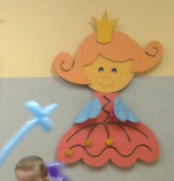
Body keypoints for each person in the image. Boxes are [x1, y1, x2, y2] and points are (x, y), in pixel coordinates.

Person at [53, 13, 162, 168]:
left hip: (117, 127)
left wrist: (122, 112)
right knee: (87, 143)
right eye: (100, 69)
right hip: (94, 128)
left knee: (126, 143)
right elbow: (87, 114)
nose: (106, 75)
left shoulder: (115, 100)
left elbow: (124, 113)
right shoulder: (96, 100)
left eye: (114, 70)